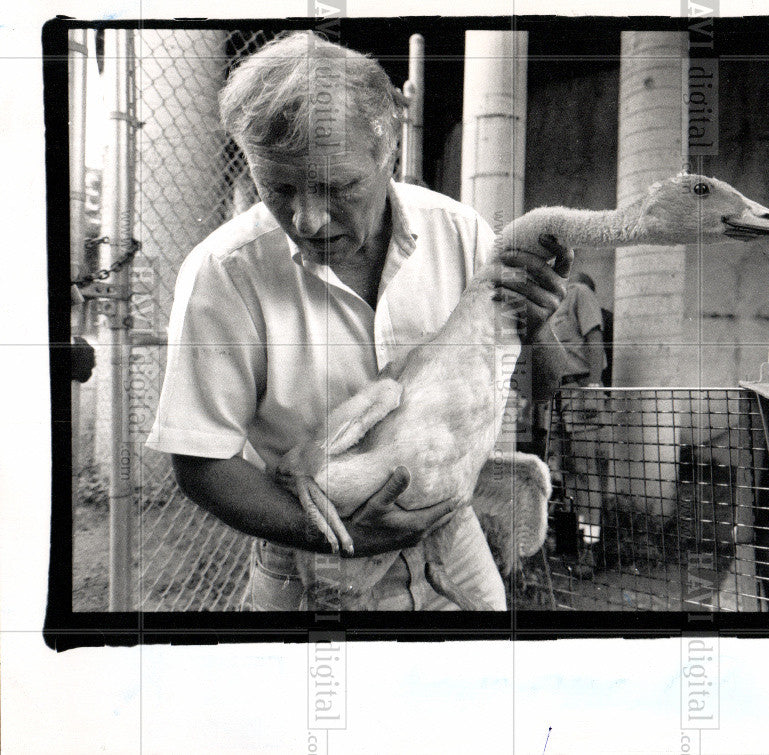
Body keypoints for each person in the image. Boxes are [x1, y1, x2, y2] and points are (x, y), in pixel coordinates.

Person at [145, 32, 571, 611]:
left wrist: (537, 328)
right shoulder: (224, 274)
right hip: (307, 556)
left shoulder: (463, 236)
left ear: (388, 148)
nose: (308, 218)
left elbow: (531, 392)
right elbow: (201, 464)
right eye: (279, 188)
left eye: (337, 187)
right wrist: (335, 536)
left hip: (452, 541)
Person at [547, 271, 608, 569]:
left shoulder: (580, 293)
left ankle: (590, 547)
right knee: (566, 472)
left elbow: (595, 339)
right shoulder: (551, 304)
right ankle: (571, 542)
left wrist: (593, 389)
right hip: (556, 394)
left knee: (586, 473)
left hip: (581, 388)